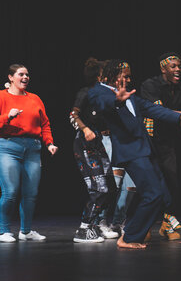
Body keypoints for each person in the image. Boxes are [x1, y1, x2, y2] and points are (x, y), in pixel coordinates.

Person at [88, 60, 181, 249]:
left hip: (146, 149)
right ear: (113, 75)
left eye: (129, 76)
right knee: (152, 194)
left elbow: (153, 109)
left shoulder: (131, 95)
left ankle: (137, 231)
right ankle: (129, 237)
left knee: (162, 197)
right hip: (131, 152)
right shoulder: (99, 91)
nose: (129, 79)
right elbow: (103, 104)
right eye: (125, 76)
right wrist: (116, 101)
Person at [140, 52, 181, 240]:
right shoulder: (150, 85)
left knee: (172, 184)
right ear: (163, 69)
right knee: (150, 186)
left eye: (179, 66)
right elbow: (159, 112)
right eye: (173, 66)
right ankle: (143, 227)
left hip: (167, 143)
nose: (178, 70)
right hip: (149, 142)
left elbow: (177, 120)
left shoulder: (179, 90)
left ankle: (166, 224)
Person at [0, 64, 58, 242]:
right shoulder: (2, 96)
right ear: (11, 77)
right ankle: (3, 231)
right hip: (9, 147)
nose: (25, 77)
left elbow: (45, 124)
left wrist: (49, 143)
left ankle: (26, 231)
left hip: (33, 148)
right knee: (10, 191)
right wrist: (7, 116)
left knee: (30, 193)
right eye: (21, 74)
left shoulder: (34, 98)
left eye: (27, 75)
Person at [69, 57, 120, 242]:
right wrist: (85, 128)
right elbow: (73, 114)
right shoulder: (87, 92)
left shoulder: (106, 94)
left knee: (109, 187)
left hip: (100, 144)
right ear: (99, 76)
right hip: (85, 143)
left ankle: (96, 225)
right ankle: (84, 229)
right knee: (99, 188)